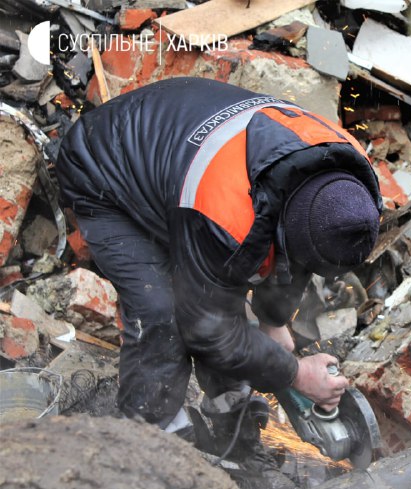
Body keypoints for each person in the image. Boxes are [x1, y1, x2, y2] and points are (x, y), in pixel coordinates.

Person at [55, 77, 382, 462]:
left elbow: (295, 256)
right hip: (105, 170)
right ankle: (149, 442)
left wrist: (274, 321)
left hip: (178, 167)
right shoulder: (227, 215)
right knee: (161, 311)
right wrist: (295, 373)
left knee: (217, 295)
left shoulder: (349, 183)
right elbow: (207, 329)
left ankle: (231, 413)